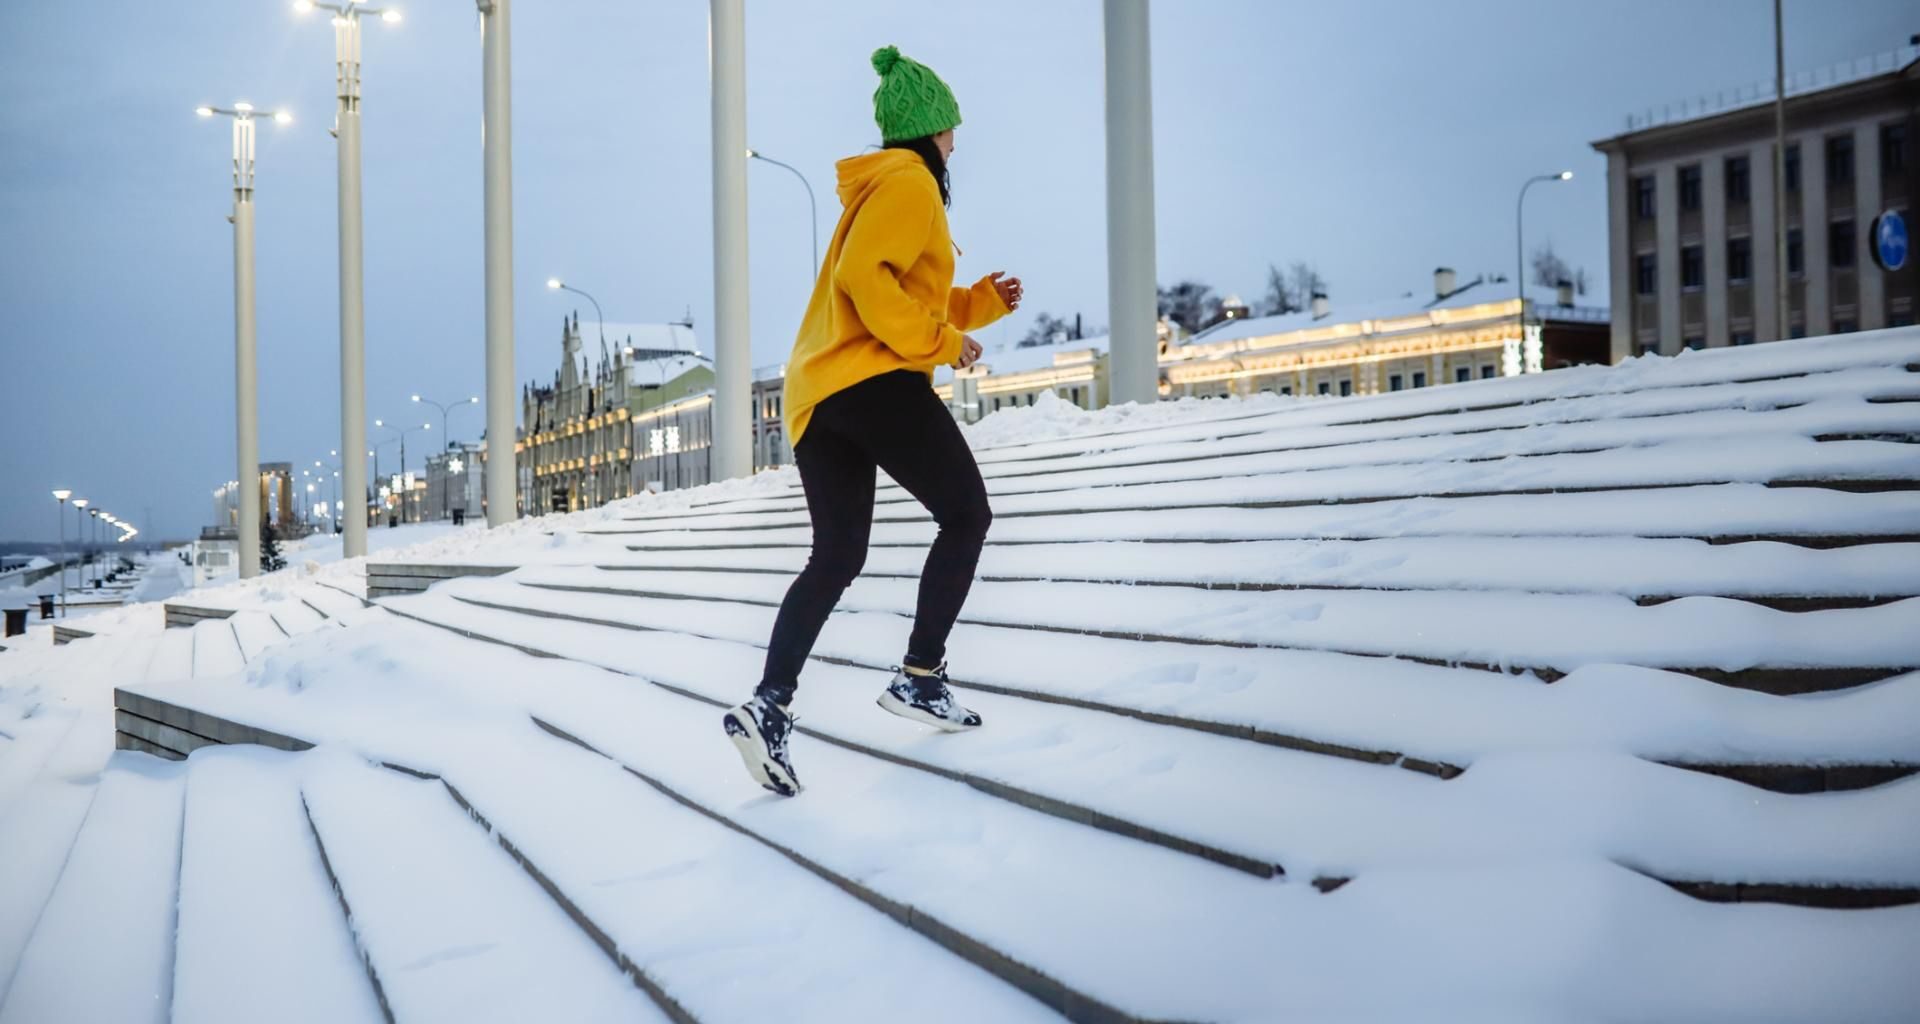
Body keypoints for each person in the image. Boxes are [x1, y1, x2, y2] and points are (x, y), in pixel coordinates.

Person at [723, 45, 1022, 796]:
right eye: (951, 129)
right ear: (930, 130)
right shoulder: (911, 182)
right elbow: (867, 282)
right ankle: (921, 674)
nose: (955, 143)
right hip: (872, 381)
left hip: (820, 393)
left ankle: (769, 707)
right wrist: (944, 344)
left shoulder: (881, 188)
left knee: (837, 556)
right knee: (967, 514)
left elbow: (898, 288)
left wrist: (978, 304)